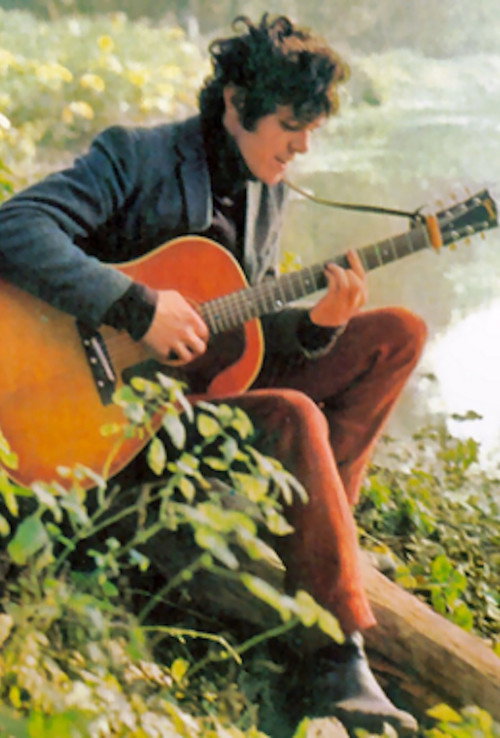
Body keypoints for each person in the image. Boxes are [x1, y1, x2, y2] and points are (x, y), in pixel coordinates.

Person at [0, 13, 426, 734]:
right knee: (292, 414)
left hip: (194, 399)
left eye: (312, 129)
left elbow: (240, 338)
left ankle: (326, 536)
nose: (303, 145)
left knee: (397, 335)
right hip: (114, 419)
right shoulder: (136, 156)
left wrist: (318, 328)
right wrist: (136, 306)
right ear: (235, 103)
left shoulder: (269, 190)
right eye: (290, 125)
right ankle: (333, 657)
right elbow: (14, 227)